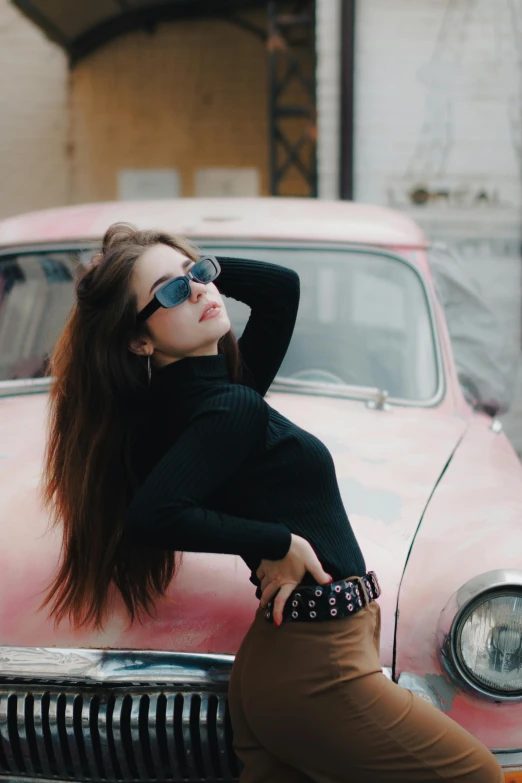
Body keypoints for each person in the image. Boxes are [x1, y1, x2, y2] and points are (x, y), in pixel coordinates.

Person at [42, 222, 503, 783]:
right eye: (169, 292)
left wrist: (195, 270)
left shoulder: (212, 397)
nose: (199, 291)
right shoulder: (228, 407)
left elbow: (281, 289)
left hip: (290, 659)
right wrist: (276, 540)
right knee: (474, 773)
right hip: (316, 665)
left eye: (198, 275)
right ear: (139, 341)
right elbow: (154, 516)